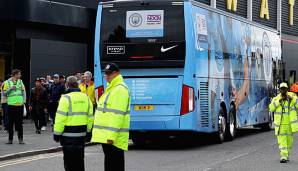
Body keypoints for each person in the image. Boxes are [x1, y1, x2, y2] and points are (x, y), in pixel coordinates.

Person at [91, 63, 130, 171]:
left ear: (117, 73)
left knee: (114, 165)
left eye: (109, 73)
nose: (106, 76)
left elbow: (118, 115)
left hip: (113, 138)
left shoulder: (120, 89)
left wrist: (111, 136)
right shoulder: (112, 88)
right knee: (110, 164)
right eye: (105, 73)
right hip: (109, 136)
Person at [53, 76, 94, 171]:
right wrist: (88, 131)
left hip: (68, 136)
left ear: (67, 85)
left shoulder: (65, 98)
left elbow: (60, 118)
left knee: (69, 162)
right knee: (80, 161)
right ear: (77, 84)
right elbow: (90, 117)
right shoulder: (86, 97)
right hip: (81, 135)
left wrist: (57, 134)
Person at [269, 82, 298, 163]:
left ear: (287, 89)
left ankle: (286, 154)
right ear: (279, 90)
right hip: (280, 125)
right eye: (282, 89)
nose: (283, 90)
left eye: (285, 89)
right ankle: (283, 156)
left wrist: (292, 99)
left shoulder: (292, 96)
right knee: (282, 142)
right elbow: (271, 108)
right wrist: (279, 101)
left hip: (290, 125)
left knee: (289, 142)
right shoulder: (276, 98)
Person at [3, 69, 26, 144]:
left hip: (19, 106)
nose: (20, 75)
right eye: (19, 74)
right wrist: (10, 88)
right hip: (11, 106)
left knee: (19, 123)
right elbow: (4, 94)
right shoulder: (7, 82)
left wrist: (24, 101)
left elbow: (23, 92)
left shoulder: (20, 82)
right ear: (15, 75)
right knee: (10, 123)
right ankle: (10, 139)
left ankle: (20, 139)